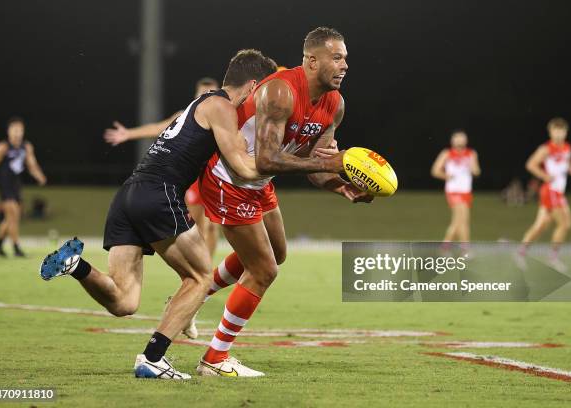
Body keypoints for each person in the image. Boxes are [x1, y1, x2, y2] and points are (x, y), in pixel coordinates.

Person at [39, 50, 283, 380]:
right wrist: (298, 164)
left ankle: (75, 265)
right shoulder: (222, 106)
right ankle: (153, 358)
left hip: (129, 194)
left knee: (124, 302)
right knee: (200, 278)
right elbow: (241, 166)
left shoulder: (199, 106)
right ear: (254, 85)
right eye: (266, 89)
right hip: (159, 194)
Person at [195, 27, 372, 377]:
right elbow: (265, 158)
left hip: (260, 181)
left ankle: (200, 293)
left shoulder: (335, 105)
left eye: (346, 58)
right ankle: (214, 359)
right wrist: (331, 162)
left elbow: (312, 165)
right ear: (311, 60)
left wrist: (339, 184)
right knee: (263, 270)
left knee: (276, 254)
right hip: (229, 179)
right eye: (337, 58)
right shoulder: (280, 91)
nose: (345, 65)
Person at [104, 77, 221, 257]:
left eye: (211, 92)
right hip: (194, 176)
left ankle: (208, 267)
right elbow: (158, 128)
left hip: (215, 175)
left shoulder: (225, 114)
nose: (207, 96)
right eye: (203, 93)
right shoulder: (187, 115)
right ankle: (200, 265)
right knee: (195, 224)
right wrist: (129, 134)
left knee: (213, 226)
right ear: (196, 95)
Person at [515, 117, 571, 272]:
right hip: (550, 190)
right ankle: (553, 258)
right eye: (555, 131)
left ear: (565, 132)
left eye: (561, 131)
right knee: (563, 224)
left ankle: (521, 252)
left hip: (558, 192)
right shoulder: (546, 149)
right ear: (550, 132)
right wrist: (544, 176)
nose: (558, 134)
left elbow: (567, 162)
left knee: (542, 225)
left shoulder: (567, 147)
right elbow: (530, 164)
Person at [0, 117, 47, 257]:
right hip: (4, 184)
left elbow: (32, 164)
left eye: (20, 130)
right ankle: (17, 248)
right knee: (12, 214)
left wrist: (39, 175)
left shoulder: (26, 147)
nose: (17, 133)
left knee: (12, 217)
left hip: (16, 184)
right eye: (15, 130)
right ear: (9, 131)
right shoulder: (3, 147)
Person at [431, 130, 480, 250]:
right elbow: (435, 171)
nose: (459, 141)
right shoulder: (447, 154)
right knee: (463, 221)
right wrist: (447, 176)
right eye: (457, 138)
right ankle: (465, 249)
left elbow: (477, 171)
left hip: (466, 191)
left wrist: (473, 168)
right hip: (453, 191)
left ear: (466, 140)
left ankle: (445, 246)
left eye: (462, 138)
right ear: (452, 141)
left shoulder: (471, 153)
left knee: (457, 222)